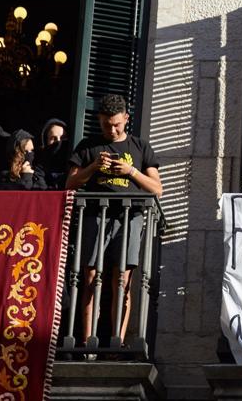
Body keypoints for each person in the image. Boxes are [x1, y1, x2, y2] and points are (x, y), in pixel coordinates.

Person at [67, 94, 163, 345]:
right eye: (106, 124)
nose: (111, 129)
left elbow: (157, 188)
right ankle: (88, 342)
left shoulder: (141, 147)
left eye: (117, 124)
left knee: (122, 280)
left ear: (126, 120)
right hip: (94, 217)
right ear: (99, 120)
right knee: (89, 278)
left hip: (128, 219)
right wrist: (93, 167)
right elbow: (70, 183)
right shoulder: (87, 147)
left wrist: (130, 171)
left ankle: (116, 342)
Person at [37, 118, 70, 189]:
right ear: (45, 142)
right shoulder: (39, 168)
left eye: (63, 138)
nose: (58, 141)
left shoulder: (73, 165)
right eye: (53, 138)